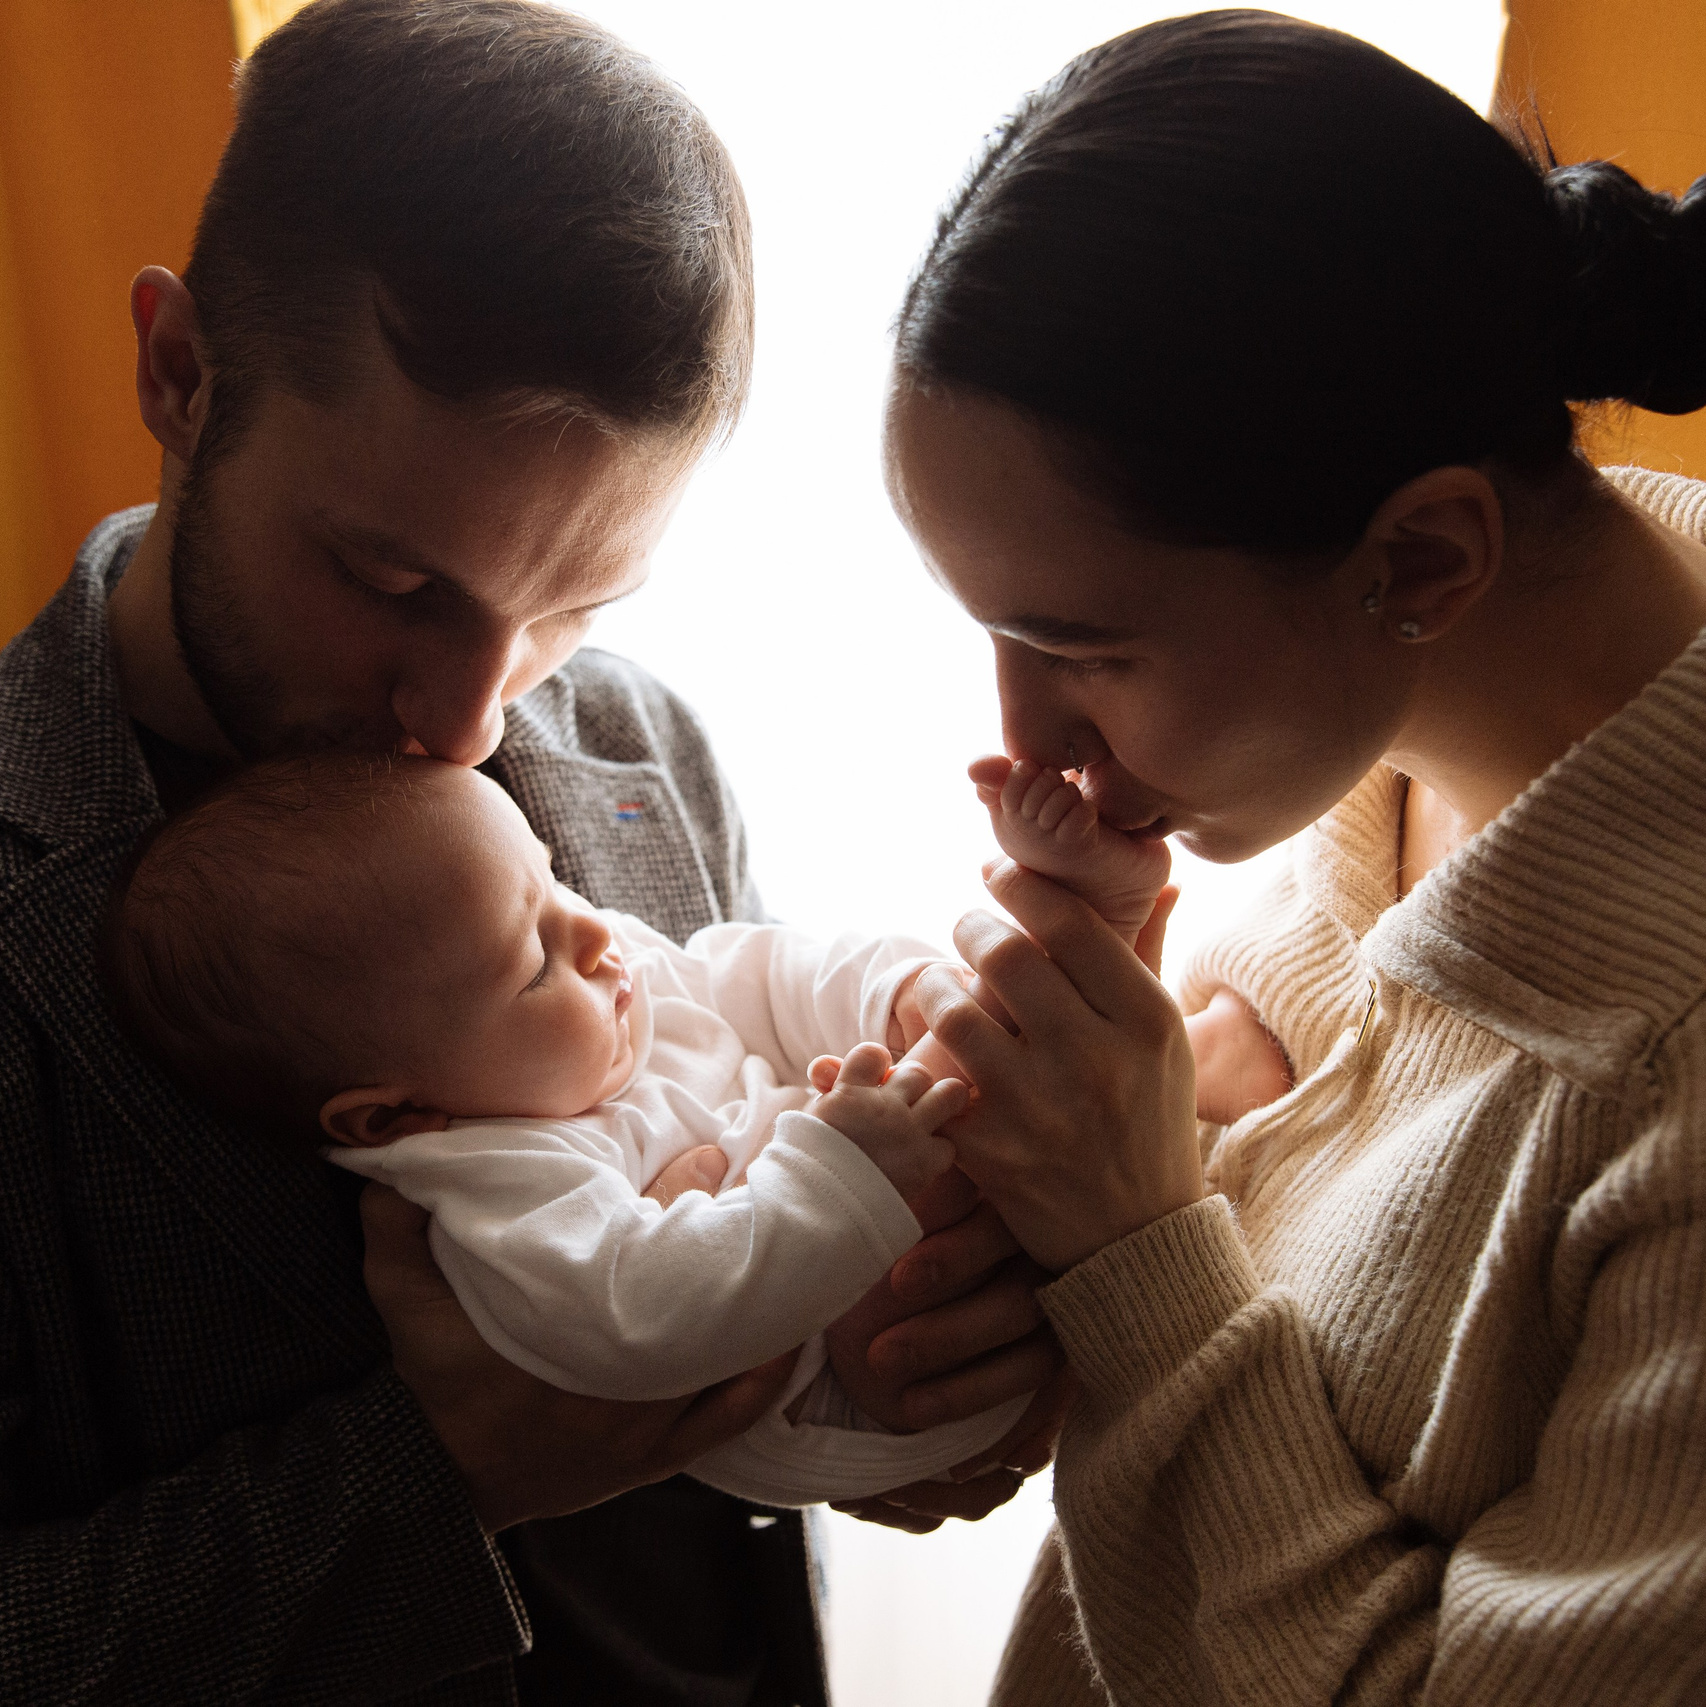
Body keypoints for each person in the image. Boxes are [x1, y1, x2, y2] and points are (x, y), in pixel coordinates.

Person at [0, 2, 1061, 1701]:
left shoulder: (639, 746)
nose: (476, 718)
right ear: (179, 374)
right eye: (391, 583)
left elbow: (750, 1145)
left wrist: (917, 1386)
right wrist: (441, 1471)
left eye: (571, 602)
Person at [881, 10, 1706, 1704]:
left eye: (1083, 647)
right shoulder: (1392, 727)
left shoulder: (1669, 1075)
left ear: (1422, 554)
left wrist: (1134, 1259)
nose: (1026, 743)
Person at [100, 746, 1168, 1506]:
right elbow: (644, 1313)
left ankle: (1096, 977)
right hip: (831, 1381)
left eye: (554, 882)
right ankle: (1078, 927)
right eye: (529, 960)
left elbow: (750, 970)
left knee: (945, 1071)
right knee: (958, 1106)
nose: (595, 934)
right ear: (400, 1111)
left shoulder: (595, 985)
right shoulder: (502, 1179)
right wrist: (842, 1165)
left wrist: (885, 993)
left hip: (918, 1303)